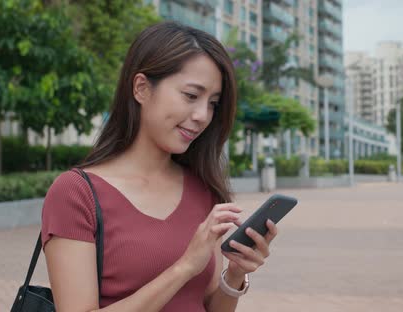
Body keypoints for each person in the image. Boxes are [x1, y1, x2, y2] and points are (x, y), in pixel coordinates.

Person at [41, 21, 278, 311]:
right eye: (191, 96)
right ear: (141, 88)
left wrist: (236, 275)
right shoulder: (76, 193)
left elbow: (211, 306)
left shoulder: (204, 190)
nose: (203, 115)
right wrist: (185, 267)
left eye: (213, 103)